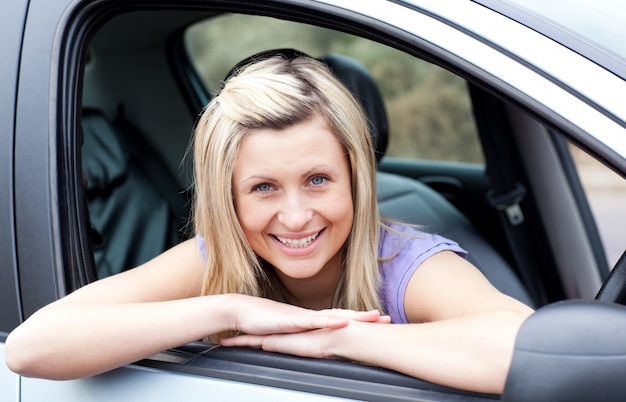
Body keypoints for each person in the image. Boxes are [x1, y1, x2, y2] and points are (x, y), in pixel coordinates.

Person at [5, 50, 533, 394]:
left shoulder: (400, 262)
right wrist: (230, 307)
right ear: (228, 201)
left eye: (319, 179)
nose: (297, 216)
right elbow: (32, 347)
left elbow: (525, 348)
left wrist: (339, 340)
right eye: (263, 188)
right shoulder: (215, 261)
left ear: (356, 178)